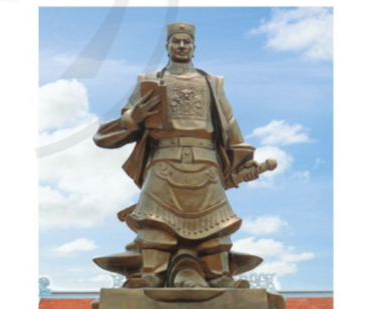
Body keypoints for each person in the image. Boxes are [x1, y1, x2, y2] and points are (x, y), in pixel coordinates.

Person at [93, 23, 275, 288]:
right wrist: (135, 117)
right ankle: (150, 277)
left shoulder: (212, 83)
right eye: (176, 41)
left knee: (215, 227)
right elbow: (110, 134)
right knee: (156, 225)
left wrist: (242, 162)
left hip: (206, 161)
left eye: (186, 42)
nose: (181, 46)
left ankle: (220, 278)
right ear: (167, 47)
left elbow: (229, 123)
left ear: (194, 47)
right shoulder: (148, 82)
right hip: (164, 160)